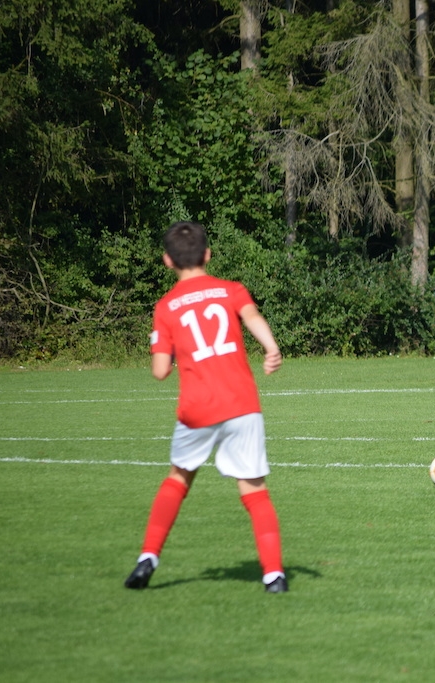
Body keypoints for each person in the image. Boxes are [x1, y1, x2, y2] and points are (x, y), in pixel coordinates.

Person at [124, 221, 288, 593]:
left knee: (178, 479)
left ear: (168, 261)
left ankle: (148, 558)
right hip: (242, 404)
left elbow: (160, 371)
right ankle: (274, 575)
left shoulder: (166, 306)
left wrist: (167, 348)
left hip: (197, 408)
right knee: (254, 490)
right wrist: (271, 348)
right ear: (208, 255)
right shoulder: (231, 289)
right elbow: (252, 317)